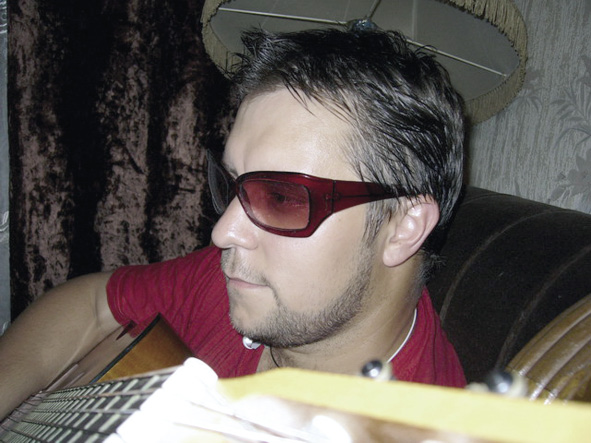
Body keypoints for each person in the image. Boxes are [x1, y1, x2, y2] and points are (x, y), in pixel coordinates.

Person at [0, 27, 466, 419]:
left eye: (281, 197)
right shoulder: (248, 284)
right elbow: (96, 303)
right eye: (231, 184)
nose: (224, 232)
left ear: (404, 227)